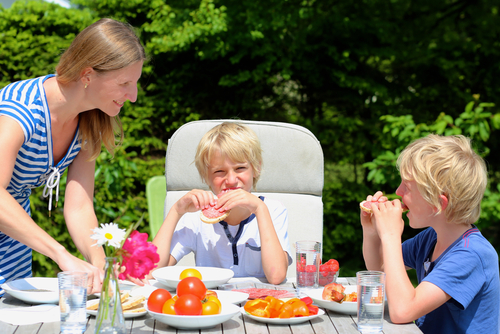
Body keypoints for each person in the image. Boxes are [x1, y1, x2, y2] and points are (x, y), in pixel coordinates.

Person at [0, 18, 145, 296]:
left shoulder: (89, 122)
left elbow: (79, 207)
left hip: (12, 244)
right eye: (125, 82)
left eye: (135, 82)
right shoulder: (19, 112)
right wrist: (61, 254)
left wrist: (100, 265)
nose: (134, 95)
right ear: (88, 75)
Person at [361, 134, 500, 334]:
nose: (398, 192)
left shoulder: (471, 255)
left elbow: (402, 311)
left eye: (407, 187)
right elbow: (380, 269)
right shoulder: (431, 238)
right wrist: (372, 230)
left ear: (438, 203)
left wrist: (391, 235)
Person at [152, 122, 292, 284]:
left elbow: (276, 276)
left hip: (258, 305)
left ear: (256, 168)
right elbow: (152, 271)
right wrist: (176, 211)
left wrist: (260, 209)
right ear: (205, 176)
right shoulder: (196, 218)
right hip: (213, 305)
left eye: (240, 168)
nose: (231, 180)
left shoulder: (273, 211)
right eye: (219, 171)